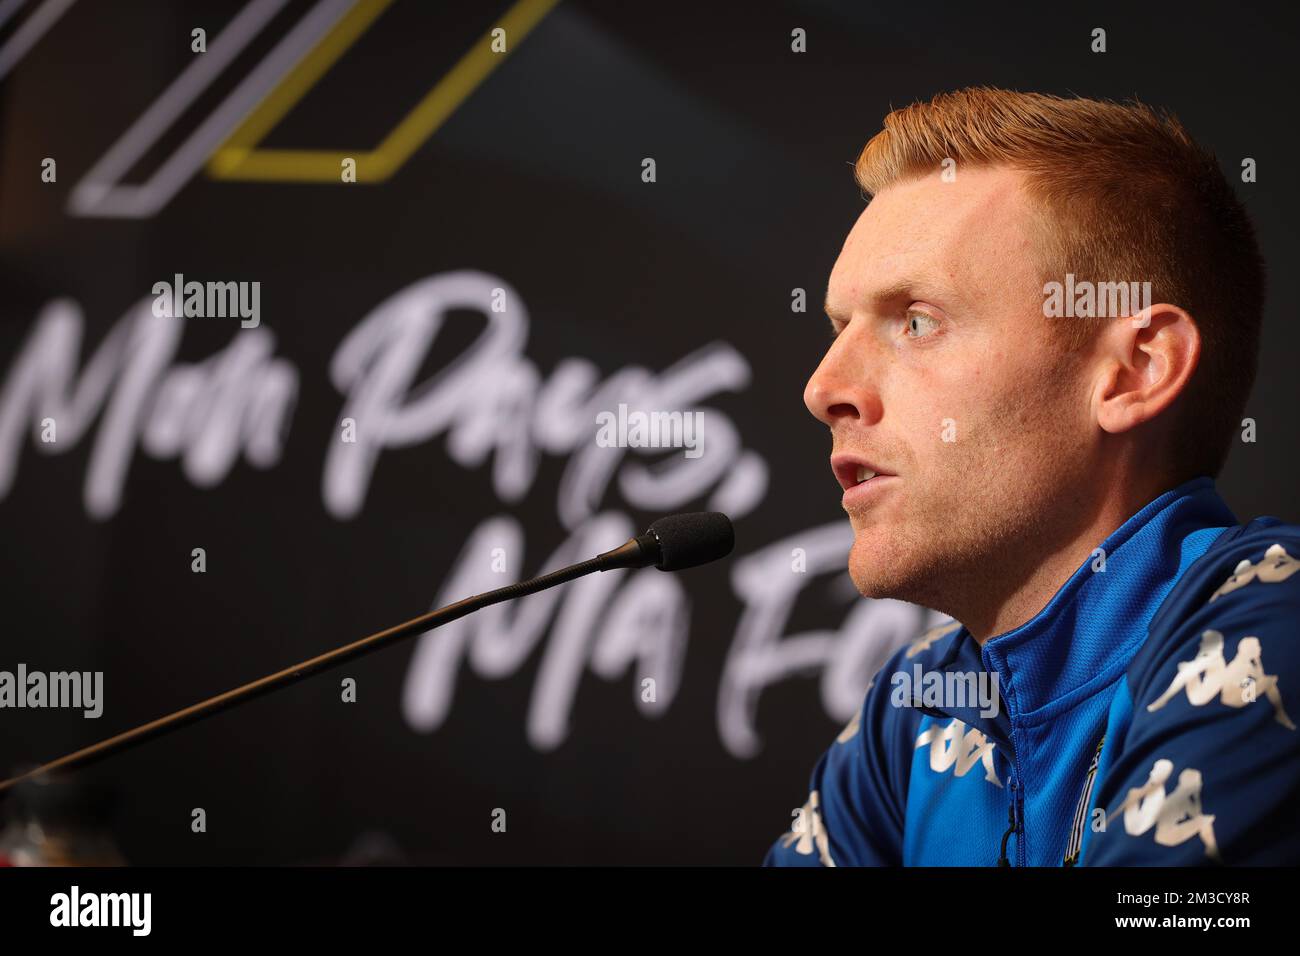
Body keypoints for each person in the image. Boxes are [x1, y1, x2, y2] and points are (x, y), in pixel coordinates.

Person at [764, 87, 1299, 866]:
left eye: (917, 320)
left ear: (1132, 372)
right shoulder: (915, 706)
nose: (823, 389)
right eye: (840, 329)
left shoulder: (1278, 624)